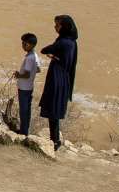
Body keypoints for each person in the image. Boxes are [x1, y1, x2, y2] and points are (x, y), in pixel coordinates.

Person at [39, 16, 79, 150]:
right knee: (54, 110)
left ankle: (55, 141)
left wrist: (53, 55)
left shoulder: (63, 42)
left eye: (57, 25)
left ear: (65, 27)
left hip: (57, 78)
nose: (55, 28)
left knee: (53, 110)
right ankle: (54, 139)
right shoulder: (72, 42)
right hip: (63, 77)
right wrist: (56, 56)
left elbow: (44, 50)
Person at [11, 33, 42, 137]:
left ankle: (23, 132)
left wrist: (18, 75)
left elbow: (27, 74)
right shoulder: (34, 55)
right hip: (29, 86)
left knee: (23, 110)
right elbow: (38, 69)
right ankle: (25, 130)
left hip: (24, 88)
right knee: (27, 109)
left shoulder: (29, 58)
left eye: (24, 43)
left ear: (30, 45)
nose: (23, 45)